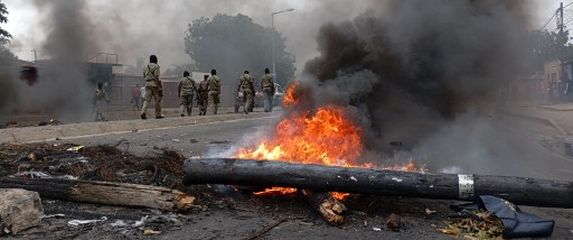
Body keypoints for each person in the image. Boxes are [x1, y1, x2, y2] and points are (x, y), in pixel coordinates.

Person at [141, 55, 163, 119]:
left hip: (147, 84)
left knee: (146, 100)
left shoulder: (145, 67)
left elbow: (144, 76)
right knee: (157, 100)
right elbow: (156, 77)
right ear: (156, 59)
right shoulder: (157, 66)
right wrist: (159, 87)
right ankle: (157, 114)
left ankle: (143, 113)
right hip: (154, 84)